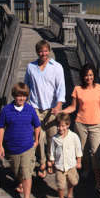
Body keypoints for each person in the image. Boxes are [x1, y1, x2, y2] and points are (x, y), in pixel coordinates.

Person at [0, 82, 41, 198]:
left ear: (26, 97)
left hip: (27, 146)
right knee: (17, 172)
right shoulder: (6, 110)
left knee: (26, 174)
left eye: (23, 96)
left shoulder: (30, 109)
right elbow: (0, 128)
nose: (21, 98)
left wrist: (36, 140)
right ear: (14, 96)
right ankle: (20, 181)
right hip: (12, 148)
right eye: (18, 96)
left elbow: (37, 125)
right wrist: (0, 146)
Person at [24, 39, 66, 178]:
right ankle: (41, 162)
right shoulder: (31, 67)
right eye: (41, 51)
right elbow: (27, 85)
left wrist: (59, 105)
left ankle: (50, 159)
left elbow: (61, 87)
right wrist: (23, 102)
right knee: (39, 136)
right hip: (35, 107)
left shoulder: (57, 67)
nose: (44, 54)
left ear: (49, 51)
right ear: (37, 52)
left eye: (46, 51)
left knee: (51, 136)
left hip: (51, 108)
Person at [62, 63, 100, 189]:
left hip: (97, 125)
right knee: (81, 150)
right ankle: (86, 168)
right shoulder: (77, 89)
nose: (89, 78)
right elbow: (72, 107)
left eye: (91, 75)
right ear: (83, 76)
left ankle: (98, 181)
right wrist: (61, 112)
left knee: (95, 152)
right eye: (87, 75)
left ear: (94, 76)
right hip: (81, 124)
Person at [48, 113, 82, 198]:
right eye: (58, 126)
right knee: (60, 184)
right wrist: (51, 162)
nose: (60, 128)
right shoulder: (55, 138)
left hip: (71, 165)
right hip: (59, 166)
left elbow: (78, 150)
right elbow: (52, 151)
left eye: (63, 126)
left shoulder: (74, 136)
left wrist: (78, 161)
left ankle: (70, 194)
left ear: (68, 125)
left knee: (73, 181)